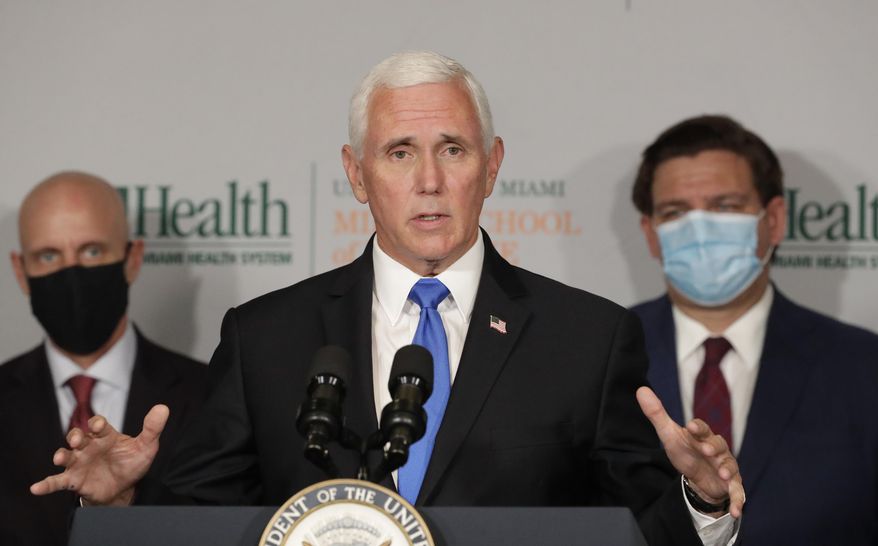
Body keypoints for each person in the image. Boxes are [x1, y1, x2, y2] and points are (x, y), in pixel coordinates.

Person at [31, 53, 743, 545]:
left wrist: (702, 502)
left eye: (454, 150)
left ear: (492, 166)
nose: (429, 179)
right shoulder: (265, 337)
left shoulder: (587, 338)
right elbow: (198, 525)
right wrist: (119, 505)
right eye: (399, 151)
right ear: (357, 174)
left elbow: (640, 533)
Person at [630, 114, 878, 545]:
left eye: (725, 206)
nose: (701, 230)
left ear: (775, 220)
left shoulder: (865, 368)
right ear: (651, 234)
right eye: (676, 212)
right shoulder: (597, 357)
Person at [0, 172, 208, 546]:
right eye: (49, 255)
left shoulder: (212, 396)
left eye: (92, 251)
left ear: (133, 258)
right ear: (21, 271)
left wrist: (120, 506)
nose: (72, 272)